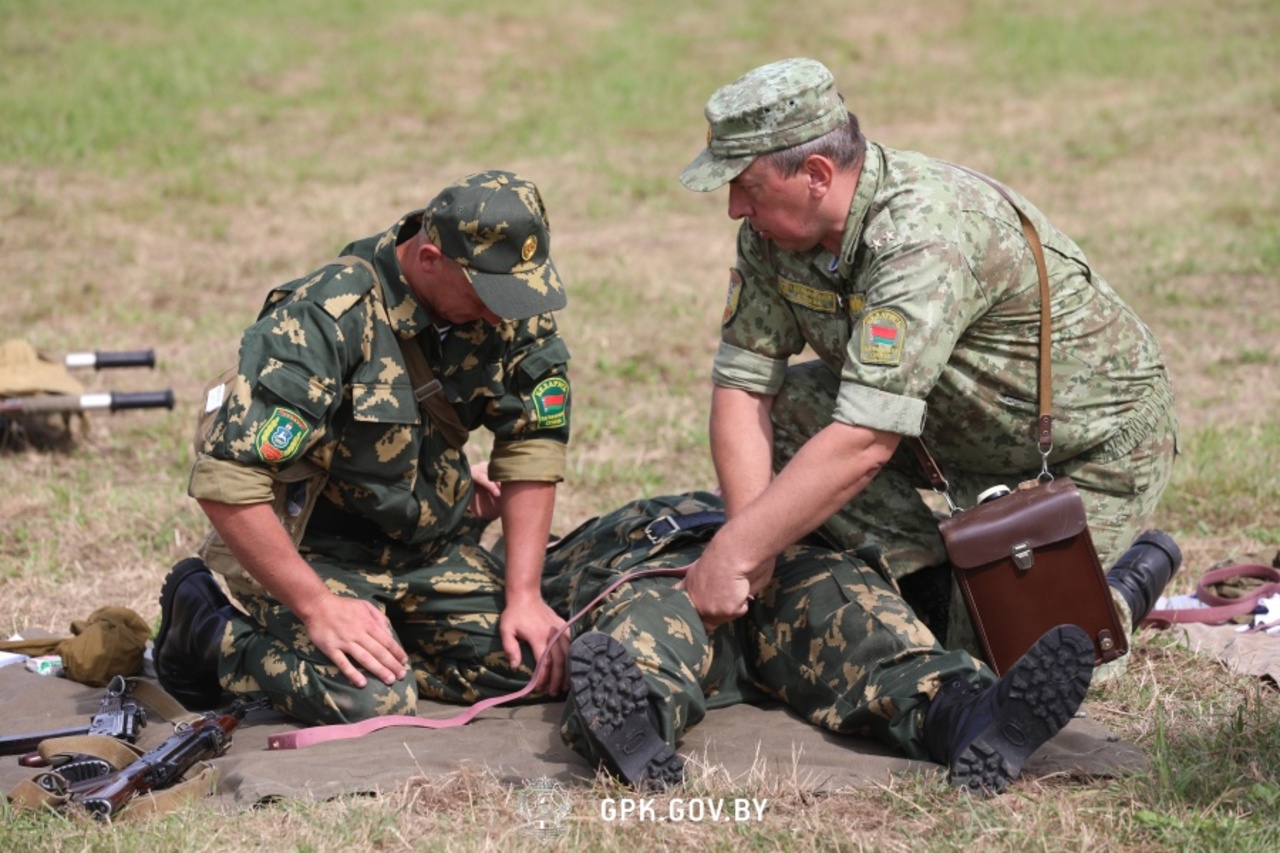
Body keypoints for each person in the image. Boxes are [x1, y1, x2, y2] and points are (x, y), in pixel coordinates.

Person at [674, 58, 1181, 667]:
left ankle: (1121, 587)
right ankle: (933, 587)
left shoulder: (923, 235)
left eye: (746, 186)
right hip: (946, 429)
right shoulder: (771, 233)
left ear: (815, 174)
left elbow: (864, 441)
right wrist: (750, 546)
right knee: (797, 412)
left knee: (1005, 664)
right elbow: (744, 385)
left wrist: (731, 554)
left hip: (1087, 443)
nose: (733, 208)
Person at [153, 170, 573, 725]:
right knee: (369, 699)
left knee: (536, 665)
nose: (501, 313)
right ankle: (208, 630)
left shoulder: (510, 300)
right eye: (486, 295)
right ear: (429, 258)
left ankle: (385, 639)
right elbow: (227, 480)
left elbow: (531, 444)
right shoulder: (325, 316)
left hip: (427, 550)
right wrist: (317, 608)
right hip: (317, 552)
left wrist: (523, 594)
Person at [540, 491, 1096, 795]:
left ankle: (965, 715)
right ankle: (632, 735)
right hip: (660, 580)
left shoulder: (732, 501)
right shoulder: (561, 552)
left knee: (853, 612)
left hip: (777, 565)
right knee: (641, 634)